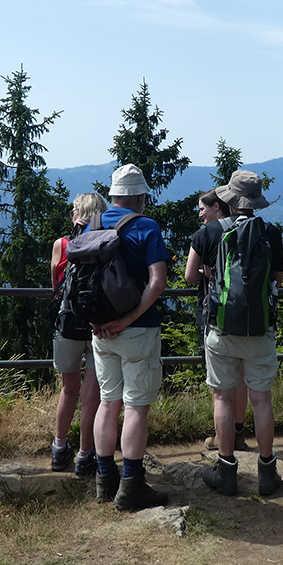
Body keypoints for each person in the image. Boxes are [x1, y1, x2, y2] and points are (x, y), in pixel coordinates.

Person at [185, 170, 283, 497]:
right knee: (262, 400)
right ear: (256, 201)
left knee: (223, 397)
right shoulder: (271, 233)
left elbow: (190, 276)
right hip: (260, 329)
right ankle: (267, 473)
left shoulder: (211, 231)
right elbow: (277, 282)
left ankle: (226, 471)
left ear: (229, 198)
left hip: (221, 328)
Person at [89, 164, 171, 511]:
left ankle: (104, 479)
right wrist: (130, 319)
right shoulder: (146, 226)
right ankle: (131, 486)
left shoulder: (93, 224)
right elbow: (158, 282)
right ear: (140, 196)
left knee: (108, 402)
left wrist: (102, 322)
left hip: (100, 331)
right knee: (136, 406)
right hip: (137, 329)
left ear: (113, 195)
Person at [48, 192, 107, 476]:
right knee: (91, 395)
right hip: (99, 326)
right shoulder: (106, 240)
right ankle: (85, 456)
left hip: (67, 324)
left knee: (68, 390)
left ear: (77, 213)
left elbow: (56, 286)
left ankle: (59, 449)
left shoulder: (61, 244)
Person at [193, 190, 252, 454]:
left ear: (217, 206)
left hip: (216, 315)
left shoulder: (206, 234)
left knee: (220, 388)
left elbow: (188, 277)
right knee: (241, 378)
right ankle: (239, 432)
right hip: (252, 316)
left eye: (202, 209)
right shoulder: (259, 230)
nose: (200, 214)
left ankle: (223, 441)